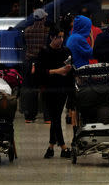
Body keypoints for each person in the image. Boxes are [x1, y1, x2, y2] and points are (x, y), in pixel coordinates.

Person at [35, 27, 73, 159]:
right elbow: (39, 72)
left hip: (62, 89)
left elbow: (70, 69)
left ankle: (51, 147)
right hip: (49, 89)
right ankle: (63, 146)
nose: (61, 40)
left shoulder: (66, 51)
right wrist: (58, 71)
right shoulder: (44, 52)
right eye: (58, 37)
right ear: (51, 37)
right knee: (55, 117)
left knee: (56, 117)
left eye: (62, 37)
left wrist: (68, 70)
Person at [23, 8, 50, 123]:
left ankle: (29, 116)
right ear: (43, 18)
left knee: (31, 90)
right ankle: (47, 117)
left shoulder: (27, 30)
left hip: (30, 63)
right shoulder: (47, 31)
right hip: (43, 63)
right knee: (45, 90)